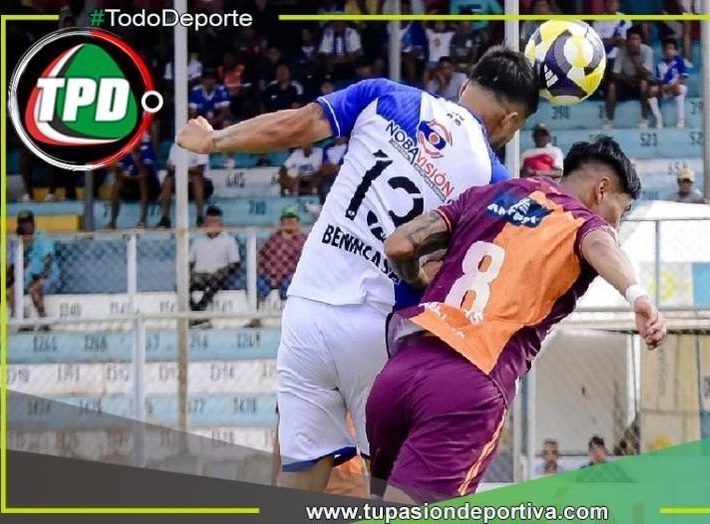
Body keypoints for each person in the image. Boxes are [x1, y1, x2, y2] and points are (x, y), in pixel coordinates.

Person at [175, 46, 539, 493]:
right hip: (380, 332)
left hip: (308, 306)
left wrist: (213, 140)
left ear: (465, 86)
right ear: (511, 122)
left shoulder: (384, 96)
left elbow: (295, 125)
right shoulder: (493, 183)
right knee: (387, 485)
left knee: (301, 472)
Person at [367, 136, 667, 502]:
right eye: (621, 212)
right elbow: (603, 245)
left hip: (400, 371)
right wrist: (637, 295)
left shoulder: (489, 194)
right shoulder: (582, 223)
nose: (616, 226)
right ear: (602, 189)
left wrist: (417, 279)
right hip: (469, 382)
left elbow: (399, 244)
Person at [248, 206, 306, 328]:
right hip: (271, 275)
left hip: (291, 276)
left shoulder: (303, 240)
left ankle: (293, 321)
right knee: (259, 284)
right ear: (282, 221)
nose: (289, 222)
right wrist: (268, 274)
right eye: (287, 219)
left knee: (291, 286)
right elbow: (263, 258)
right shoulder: (274, 238)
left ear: (297, 221)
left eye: (292, 219)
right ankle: (256, 317)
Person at [188, 206, 241, 325]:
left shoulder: (229, 241)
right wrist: (189, 273)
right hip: (200, 274)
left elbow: (235, 263)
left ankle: (197, 312)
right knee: (181, 284)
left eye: (215, 222)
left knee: (216, 280)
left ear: (220, 223)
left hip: (218, 275)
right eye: (210, 222)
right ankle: (197, 311)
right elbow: (189, 262)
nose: (212, 225)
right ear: (205, 223)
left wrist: (223, 271)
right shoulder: (198, 240)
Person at [16, 211, 60, 328]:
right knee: (12, 291)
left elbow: (49, 258)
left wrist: (42, 278)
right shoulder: (23, 240)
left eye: (27, 223)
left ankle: (44, 321)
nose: (25, 226)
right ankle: (24, 323)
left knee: (34, 290)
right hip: (30, 277)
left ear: (33, 222)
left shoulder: (41, 236)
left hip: (48, 276)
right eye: (22, 223)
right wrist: (24, 246)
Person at [605, 30, 654, 129]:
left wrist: (635, 61)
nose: (633, 42)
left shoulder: (647, 50)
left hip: (642, 83)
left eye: (636, 39)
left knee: (644, 84)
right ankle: (609, 121)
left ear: (641, 40)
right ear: (627, 41)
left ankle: (644, 119)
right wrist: (631, 79)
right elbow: (615, 74)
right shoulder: (622, 51)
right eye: (631, 39)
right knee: (611, 86)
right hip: (627, 82)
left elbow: (647, 74)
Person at [107, 138, 159, 229]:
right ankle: (112, 222)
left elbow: (145, 174)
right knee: (117, 185)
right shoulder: (124, 152)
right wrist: (128, 176)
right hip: (131, 187)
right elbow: (118, 173)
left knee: (142, 182)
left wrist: (137, 158)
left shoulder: (146, 149)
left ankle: (143, 221)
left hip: (151, 188)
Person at [156, 145, 211, 228]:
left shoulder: (200, 146)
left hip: (203, 184)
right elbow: (171, 169)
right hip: (182, 181)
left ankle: (200, 217)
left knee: (196, 179)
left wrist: (182, 170)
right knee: (168, 180)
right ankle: (165, 218)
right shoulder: (174, 147)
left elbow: (200, 170)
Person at [648, 39, 689, 129]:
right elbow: (659, 81)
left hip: (679, 86)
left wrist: (673, 84)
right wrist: (662, 88)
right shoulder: (660, 64)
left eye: (671, 48)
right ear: (664, 51)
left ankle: (680, 119)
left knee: (676, 88)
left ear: (675, 51)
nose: (669, 51)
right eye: (667, 49)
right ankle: (658, 119)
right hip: (665, 87)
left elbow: (683, 78)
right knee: (651, 91)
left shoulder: (680, 61)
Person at [591, 0, 632, 72]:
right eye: (609, 2)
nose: (612, 4)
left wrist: (610, 41)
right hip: (603, 58)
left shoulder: (625, 19)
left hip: (621, 57)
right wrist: (615, 40)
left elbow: (625, 42)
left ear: (618, 5)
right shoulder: (598, 20)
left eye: (614, 2)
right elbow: (598, 43)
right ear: (605, 5)